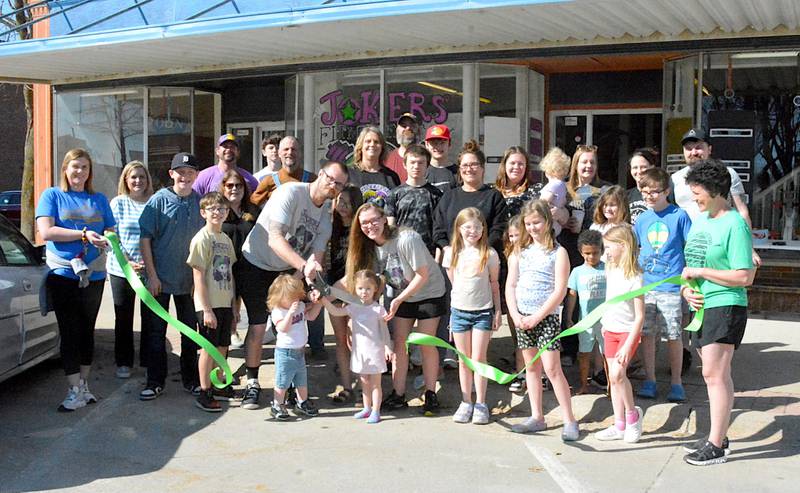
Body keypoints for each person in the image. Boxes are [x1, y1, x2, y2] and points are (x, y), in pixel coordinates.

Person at [237, 161, 349, 409]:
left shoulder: (325, 220)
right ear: (320, 174)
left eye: (339, 184)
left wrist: (311, 284)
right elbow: (275, 240)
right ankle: (252, 383)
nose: (332, 185)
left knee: (287, 330)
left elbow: (316, 261)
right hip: (256, 263)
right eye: (330, 178)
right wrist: (303, 266)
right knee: (257, 325)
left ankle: (286, 385)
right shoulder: (291, 193)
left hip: (287, 271)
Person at [680, 159, 754, 466]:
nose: (694, 197)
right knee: (716, 374)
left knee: (713, 374)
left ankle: (716, 445)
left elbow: (744, 276)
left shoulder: (734, 224)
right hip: (702, 304)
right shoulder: (701, 220)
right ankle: (718, 435)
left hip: (727, 304)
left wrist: (702, 271)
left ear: (714, 190)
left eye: (697, 191)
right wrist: (687, 288)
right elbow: (690, 268)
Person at [348, 203, 447, 415]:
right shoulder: (371, 247)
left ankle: (431, 394)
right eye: (364, 223)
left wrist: (398, 299)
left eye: (374, 220)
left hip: (428, 292)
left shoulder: (406, 239)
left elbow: (422, 274)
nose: (370, 226)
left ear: (384, 219)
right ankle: (398, 393)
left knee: (425, 342)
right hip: (403, 297)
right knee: (399, 342)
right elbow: (377, 279)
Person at [36, 149, 116, 412]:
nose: (79, 172)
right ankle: (72, 389)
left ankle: (84, 385)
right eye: (75, 167)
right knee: (69, 331)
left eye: (84, 167)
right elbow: (47, 231)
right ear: (65, 169)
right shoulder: (52, 195)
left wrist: (107, 237)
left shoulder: (99, 198)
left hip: (94, 273)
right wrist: (83, 234)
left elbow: (110, 228)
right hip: (64, 274)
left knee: (86, 331)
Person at [506, 200, 578, 440]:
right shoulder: (519, 253)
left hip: (546, 318)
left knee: (552, 368)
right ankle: (537, 416)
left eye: (537, 222)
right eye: (528, 223)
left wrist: (539, 316)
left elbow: (560, 290)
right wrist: (516, 315)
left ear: (548, 222)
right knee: (531, 368)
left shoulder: (559, 253)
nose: (533, 227)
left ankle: (569, 419)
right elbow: (511, 284)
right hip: (523, 318)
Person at [138, 152, 204, 400]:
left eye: (190, 172)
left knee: (190, 332)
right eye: (180, 172)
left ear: (196, 175)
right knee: (156, 334)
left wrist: (201, 283)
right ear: (171, 174)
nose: (185, 177)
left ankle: (191, 380)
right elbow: (145, 239)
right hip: (160, 281)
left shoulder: (200, 203)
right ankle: (155, 381)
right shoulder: (158, 201)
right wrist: (152, 276)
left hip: (189, 284)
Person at [634, 167, 692, 402]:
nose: (649, 196)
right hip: (646, 287)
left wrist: (688, 280)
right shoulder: (642, 218)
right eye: (645, 192)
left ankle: (676, 382)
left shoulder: (679, 216)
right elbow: (637, 249)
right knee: (647, 335)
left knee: (674, 336)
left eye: (655, 192)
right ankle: (650, 379)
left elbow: (690, 248)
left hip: (670, 287)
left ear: (667, 191)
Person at [442, 208, 501, 425]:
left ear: (483, 229)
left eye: (477, 227)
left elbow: (494, 284)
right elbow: (453, 284)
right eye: (468, 227)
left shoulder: (490, 254)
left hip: (482, 312)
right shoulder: (451, 253)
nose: (472, 231)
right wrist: (451, 315)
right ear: (459, 229)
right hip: (459, 312)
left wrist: (497, 311)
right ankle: (466, 401)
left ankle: (481, 403)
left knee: (478, 359)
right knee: (463, 359)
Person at [671, 127, 760, 268]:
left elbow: (742, 211)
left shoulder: (727, 174)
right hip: (688, 247)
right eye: (688, 148)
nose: (693, 152)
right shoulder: (674, 179)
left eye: (699, 147)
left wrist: (749, 248)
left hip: (720, 246)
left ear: (709, 149)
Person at [593, 224, 645, 444]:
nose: (605, 252)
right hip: (610, 329)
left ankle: (633, 416)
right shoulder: (610, 267)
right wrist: (605, 324)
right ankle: (619, 423)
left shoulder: (635, 277)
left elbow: (640, 317)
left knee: (617, 374)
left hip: (627, 332)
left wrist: (627, 345)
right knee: (613, 380)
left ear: (623, 246)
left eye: (609, 247)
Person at [320, 270, 393, 424]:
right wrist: (323, 300)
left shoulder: (378, 309)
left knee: (375, 384)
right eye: (360, 288)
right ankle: (366, 408)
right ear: (355, 289)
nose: (364, 292)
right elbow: (336, 311)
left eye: (368, 288)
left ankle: (376, 410)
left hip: (375, 352)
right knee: (364, 381)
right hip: (360, 352)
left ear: (375, 289)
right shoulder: (353, 307)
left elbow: (384, 330)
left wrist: (388, 347)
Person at [187, 192, 236, 412]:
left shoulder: (225, 239)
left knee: (223, 346)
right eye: (212, 209)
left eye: (221, 209)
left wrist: (234, 307)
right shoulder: (202, 238)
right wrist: (206, 309)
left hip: (225, 302)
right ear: (203, 212)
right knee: (208, 348)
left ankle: (219, 384)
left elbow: (230, 274)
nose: (217, 212)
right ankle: (204, 390)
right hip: (208, 305)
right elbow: (198, 276)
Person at [107, 161, 153, 379]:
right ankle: (123, 361)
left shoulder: (154, 203)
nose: (137, 181)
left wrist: (148, 265)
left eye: (141, 177)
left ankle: (147, 360)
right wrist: (127, 261)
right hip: (121, 269)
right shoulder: (118, 203)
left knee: (150, 317)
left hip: (148, 269)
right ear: (126, 180)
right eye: (133, 177)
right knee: (123, 316)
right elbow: (111, 236)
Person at [267, 274, 323, 420]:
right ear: (279, 297)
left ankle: (302, 402)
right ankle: (277, 404)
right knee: (282, 381)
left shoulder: (300, 306)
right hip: (285, 352)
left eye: (296, 297)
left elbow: (310, 317)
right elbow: (282, 328)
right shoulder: (278, 311)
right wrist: (290, 314)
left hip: (299, 351)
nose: (295, 301)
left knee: (301, 380)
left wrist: (319, 304)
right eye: (290, 297)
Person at [327, 184, 364, 404]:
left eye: (346, 203)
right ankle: (347, 386)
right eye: (339, 201)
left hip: (356, 291)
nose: (341, 206)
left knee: (357, 340)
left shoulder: (360, 230)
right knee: (341, 341)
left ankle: (364, 387)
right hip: (334, 287)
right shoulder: (331, 226)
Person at [220, 169, 261, 351]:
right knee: (227, 312)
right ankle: (231, 335)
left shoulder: (253, 211)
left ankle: (252, 351)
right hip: (223, 269)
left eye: (238, 185)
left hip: (250, 268)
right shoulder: (218, 210)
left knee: (256, 314)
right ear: (223, 188)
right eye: (230, 185)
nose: (234, 189)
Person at [564, 230, 607, 395]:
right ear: (581, 252)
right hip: (585, 321)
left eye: (595, 253)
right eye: (587, 253)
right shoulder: (577, 272)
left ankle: (611, 385)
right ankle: (583, 384)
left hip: (606, 320)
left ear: (602, 251)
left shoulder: (608, 269)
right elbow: (572, 295)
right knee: (584, 354)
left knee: (607, 355)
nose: (591, 257)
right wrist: (568, 317)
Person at [385, 144, 443, 255]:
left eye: (421, 163)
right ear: (405, 164)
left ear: (427, 165)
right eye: (412, 162)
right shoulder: (395, 194)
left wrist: (437, 259)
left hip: (428, 254)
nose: (416, 166)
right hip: (401, 252)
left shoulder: (437, 195)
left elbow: (439, 230)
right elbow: (390, 227)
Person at [561, 144, 612, 267]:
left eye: (592, 162)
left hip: (595, 249)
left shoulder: (605, 189)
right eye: (584, 162)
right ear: (576, 164)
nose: (589, 166)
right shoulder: (563, 188)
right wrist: (564, 222)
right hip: (569, 247)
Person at [250, 136, 317, 208]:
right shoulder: (269, 181)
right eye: (286, 149)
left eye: (293, 149)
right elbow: (252, 206)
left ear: (300, 153)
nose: (290, 152)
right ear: (279, 153)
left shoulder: (313, 180)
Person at [503, 215, 526, 393]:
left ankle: (539, 375)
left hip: (533, 301)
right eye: (511, 236)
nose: (513, 239)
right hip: (518, 300)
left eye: (517, 235)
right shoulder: (512, 254)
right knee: (520, 341)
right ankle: (520, 372)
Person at [348, 126, 400, 208]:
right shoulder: (349, 174)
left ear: (382, 148)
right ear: (360, 146)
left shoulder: (391, 176)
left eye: (376, 142)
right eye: (368, 141)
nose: (372, 144)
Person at [193, 133, 258, 195]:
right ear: (217, 151)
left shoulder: (249, 179)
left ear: (238, 152)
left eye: (232, 147)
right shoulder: (204, 177)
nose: (229, 149)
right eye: (225, 146)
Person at [538, 147, 571, 236]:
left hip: (548, 223)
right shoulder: (562, 185)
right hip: (556, 224)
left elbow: (543, 201)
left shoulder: (554, 184)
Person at [384, 112, 419, 182]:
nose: (408, 128)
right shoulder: (386, 159)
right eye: (403, 125)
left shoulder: (426, 158)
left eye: (412, 125)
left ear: (418, 130)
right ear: (397, 130)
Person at [424, 124, 458, 193]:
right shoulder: (421, 170)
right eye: (434, 143)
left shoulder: (459, 172)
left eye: (442, 143)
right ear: (426, 144)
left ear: (449, 144)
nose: (438, 147)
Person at [627, 148, 658, 225]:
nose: (639, 171)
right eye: (635, 167)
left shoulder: (661, 194)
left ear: (652, 167)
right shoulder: (626, 196)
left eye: (643, 167)